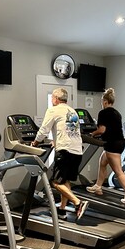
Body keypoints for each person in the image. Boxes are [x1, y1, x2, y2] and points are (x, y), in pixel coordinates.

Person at [31, 88, 89, 221]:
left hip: (65, 151)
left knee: (56, 183)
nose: (52, 100)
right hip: (77, 151)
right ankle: (62, 210)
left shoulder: (53, 110)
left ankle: (78, 203)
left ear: (56, 98)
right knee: (65, 181)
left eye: (52, 98)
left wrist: (35, 142)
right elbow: (69, 131)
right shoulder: (72, 111)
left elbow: (44, 129)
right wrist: (55, 141)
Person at [86, 88, 125, 204]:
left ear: (104, 101)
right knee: (102, 162)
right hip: (120, 142)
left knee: (118, 170)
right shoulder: (116, 113)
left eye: (101, 101)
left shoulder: (103, 113)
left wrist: (92, 134)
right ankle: (98, 186)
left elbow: (102, 130)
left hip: (112, 144)